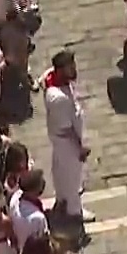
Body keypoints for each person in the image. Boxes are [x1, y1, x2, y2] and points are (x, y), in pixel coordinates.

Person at [43, 49, 92, 225]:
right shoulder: (59, 99)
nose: (74, 69)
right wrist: (80, 148)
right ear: (61, 70)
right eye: (70, 67)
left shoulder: (51, 78)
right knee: (72, 176)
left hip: (58, 138)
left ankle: (62, 198)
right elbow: (67, 129)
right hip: (66, 142)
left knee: (60, 172)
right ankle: (74, 211)